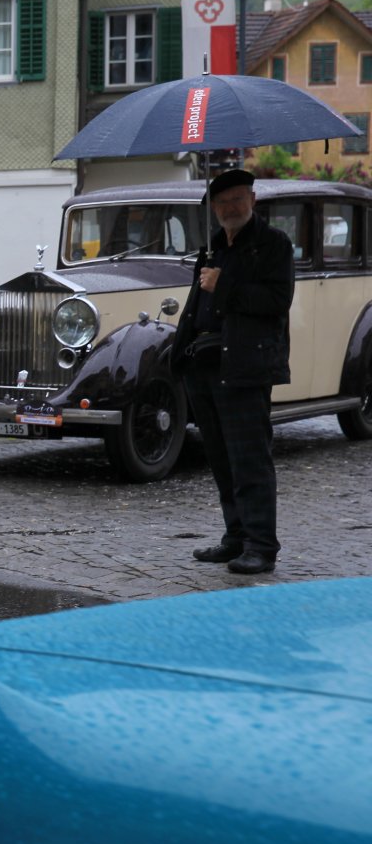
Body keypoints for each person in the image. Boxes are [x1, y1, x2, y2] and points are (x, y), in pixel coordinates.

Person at [169, 168, 294, 575]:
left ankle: (261, 546)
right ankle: (236, 537)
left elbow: (277, 301)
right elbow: (197, 304)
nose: (230, 208)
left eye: (237, 199)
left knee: (249, 459)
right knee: (222, 459)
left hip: (244, 365)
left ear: (252, 200)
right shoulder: (213, 247)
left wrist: (223, 285)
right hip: (205, 365)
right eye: (222, 203)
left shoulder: (273, 244)